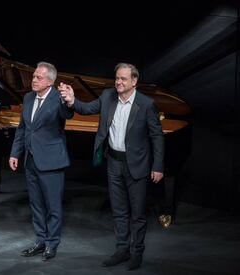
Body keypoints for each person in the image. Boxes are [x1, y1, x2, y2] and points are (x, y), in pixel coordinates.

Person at [59, 63, 164, 270]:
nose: (118, 82)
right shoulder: (108, 96)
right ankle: (122, 250)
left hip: (137, 166)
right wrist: (71, 101)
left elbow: (157, 137)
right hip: (114, 163)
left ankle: (137, 253)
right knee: (118, 210)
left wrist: (158, 166)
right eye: (117, 78)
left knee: (138, 213)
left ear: (134, 81)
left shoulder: (146, 104)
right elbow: (87, 109)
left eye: (123, 79)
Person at [9, 62, 73, 261]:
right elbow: (22, 129)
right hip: (30, 160)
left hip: (51, 161)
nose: (33, 80)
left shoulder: (58, 99)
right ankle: (40, 240)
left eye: (38, 77)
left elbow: (68, 113)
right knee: (36, 204)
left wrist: (69, 101)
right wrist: (14, 153)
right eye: (34, 76)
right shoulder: (28, 97)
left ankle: (52, 243)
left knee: (53, 205)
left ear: (50, 81)